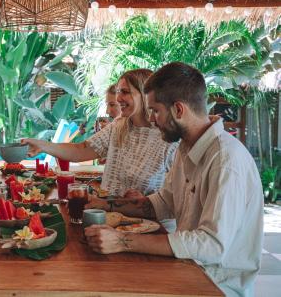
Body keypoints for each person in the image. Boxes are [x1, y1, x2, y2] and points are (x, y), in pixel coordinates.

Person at [85, 62, 263, 297]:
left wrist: (122, 241)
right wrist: (103, 205)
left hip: (215, 285)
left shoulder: (225, 160)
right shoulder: (187, 147)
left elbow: (211, 245)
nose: (151, 119)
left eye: (155, 111)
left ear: (178, 110)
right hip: (186, 269)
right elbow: (162, 203)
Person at [23, 69, 177, 197]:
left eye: (125, 92)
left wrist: (147, 201)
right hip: (111, 216)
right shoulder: (119, 126)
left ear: (144, 95)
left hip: (150, 227)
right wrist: (43, 146)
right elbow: (81, 150)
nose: (118, 98)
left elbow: (176, 195)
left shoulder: (167, 137)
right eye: (117, 92)